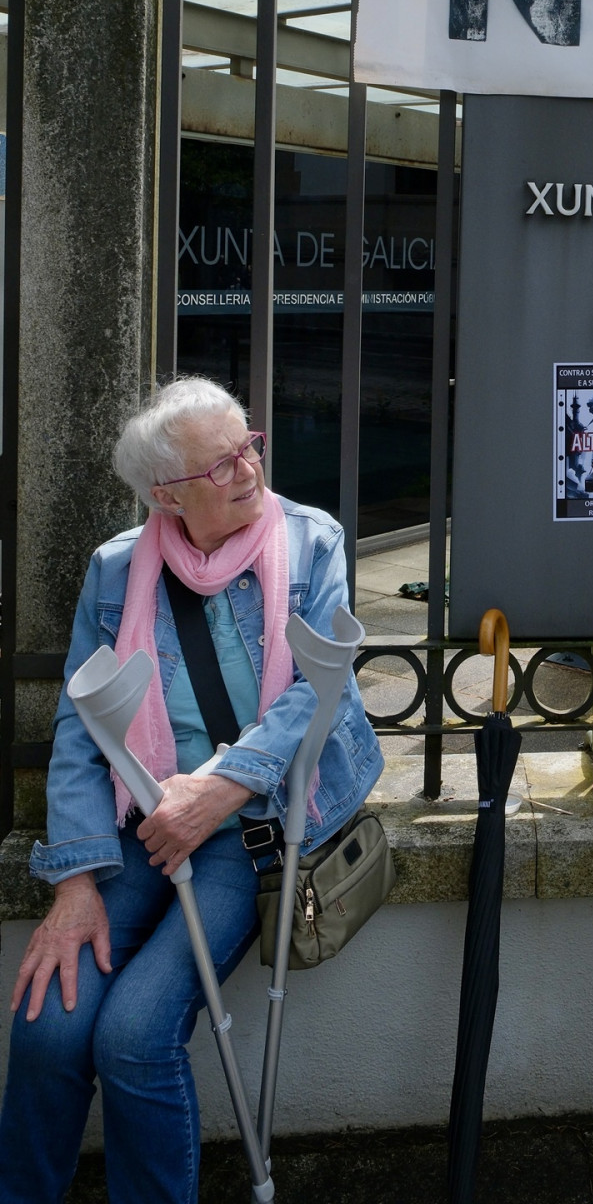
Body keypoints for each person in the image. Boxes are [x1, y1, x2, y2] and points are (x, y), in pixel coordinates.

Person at [0, 377, 384, 1204]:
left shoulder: (311, 543)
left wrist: (223, 785)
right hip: (142, 822)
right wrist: (75, 883)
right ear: (166, 494)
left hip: (252, 827)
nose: (248, 469)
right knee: (48, 1027)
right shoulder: (116, 571)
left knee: (135, 1035)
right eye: (221, 464)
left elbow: (322, 693)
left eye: (249, 446)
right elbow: (82, 727)